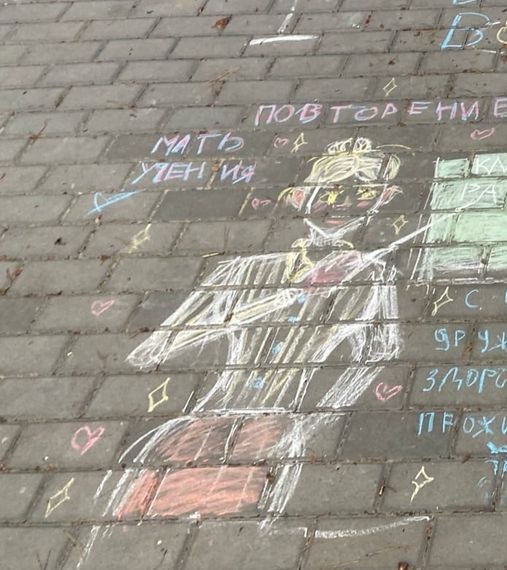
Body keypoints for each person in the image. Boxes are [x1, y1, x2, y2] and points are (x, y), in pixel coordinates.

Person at [83, 136, 408, 558]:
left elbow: (376, 357)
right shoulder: (241, 270)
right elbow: (154, 350)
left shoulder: (372, 276)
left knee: (226, 545)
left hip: (273, 432)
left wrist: (308, 424)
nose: (340, 202)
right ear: (298, 197)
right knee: (122, 539)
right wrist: (289, 295)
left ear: (383, 198)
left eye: (360, 190)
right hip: (195, 428)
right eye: (326, 190)